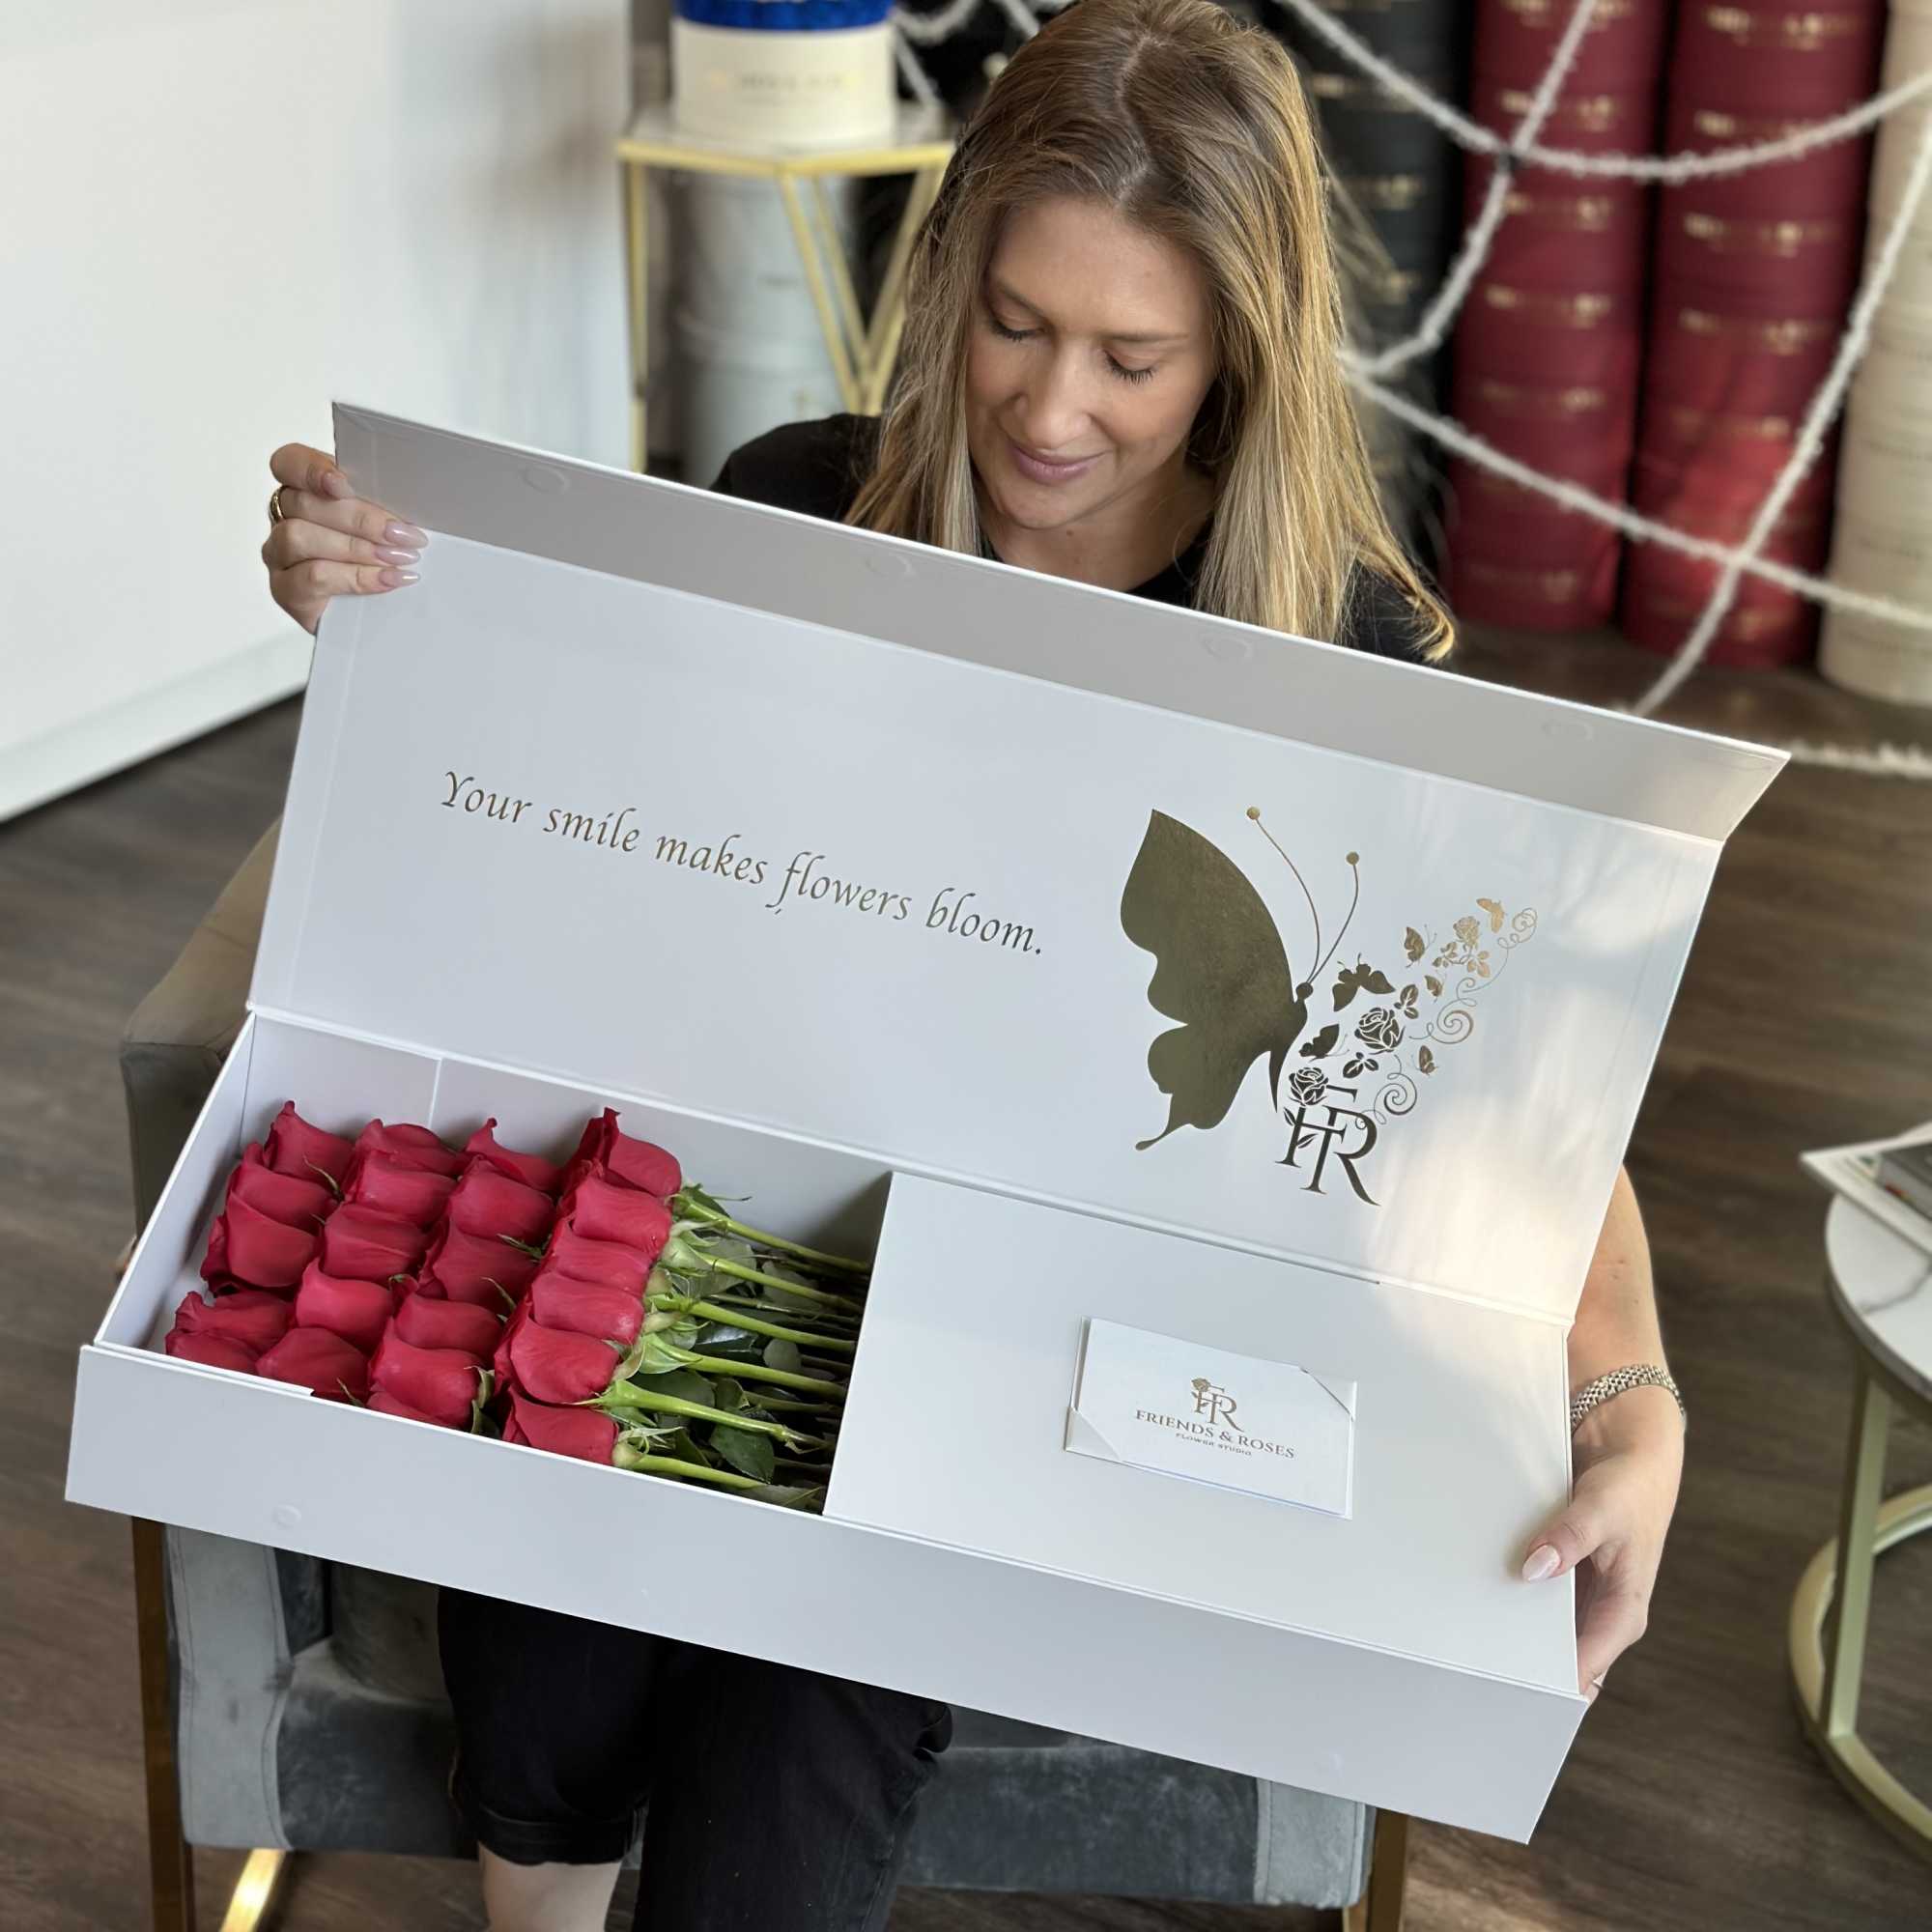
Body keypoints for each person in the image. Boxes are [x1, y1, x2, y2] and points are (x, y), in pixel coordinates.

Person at [256, 2, 1687, 1926]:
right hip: (718, 1219)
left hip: (1045, 1331)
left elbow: (1499, 1091)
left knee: (792, 1727)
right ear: (946, 277)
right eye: (1016, 321)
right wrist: (384, 619)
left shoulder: (1349, 647)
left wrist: (1627, 1388)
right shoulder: (787, 497)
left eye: (1132, 356)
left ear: (1237, 358)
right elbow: (545, 828)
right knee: (560, 1562)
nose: (1050, 411)